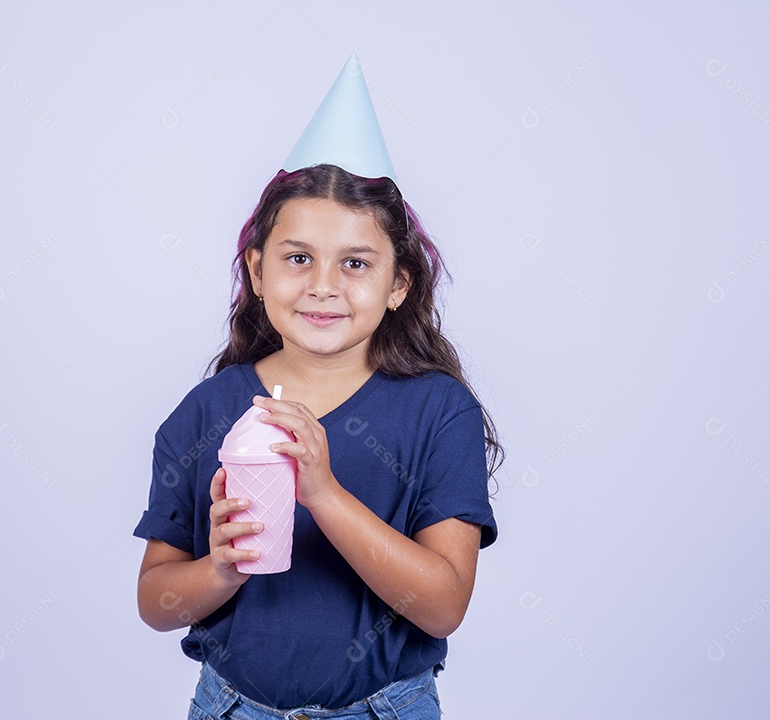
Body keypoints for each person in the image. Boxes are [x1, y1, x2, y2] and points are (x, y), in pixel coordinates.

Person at [134, 56, 502, 720]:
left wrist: (323, 492)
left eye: (356, 263)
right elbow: (156, 603)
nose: (323, 285)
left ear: (398, 285)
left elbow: (445, 605)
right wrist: (220, 567)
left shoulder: (437, 412)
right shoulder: (207, 412)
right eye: (297, 257)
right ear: (256, 269)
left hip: (384, 708)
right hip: (232, 707)